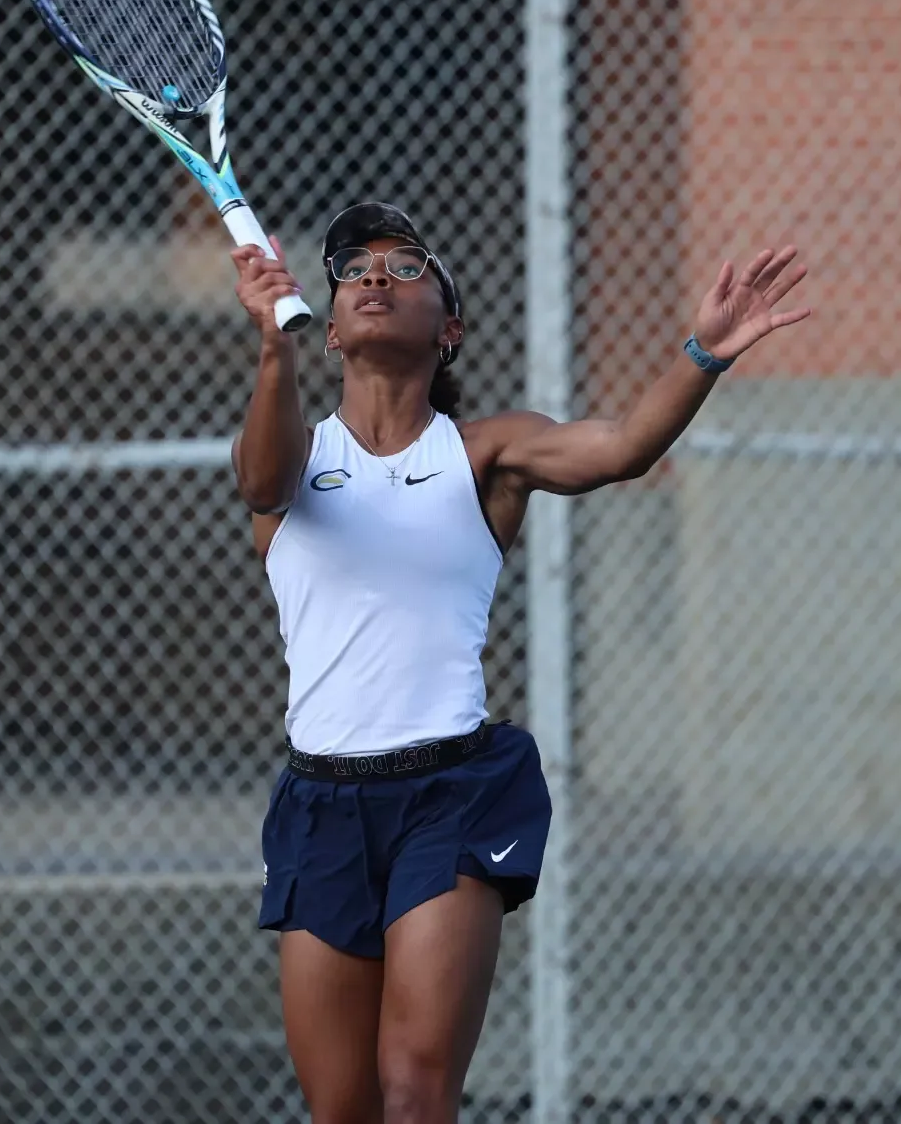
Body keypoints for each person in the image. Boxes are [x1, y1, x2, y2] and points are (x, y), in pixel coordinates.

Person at [230, 202, 810, 1124]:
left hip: (450, 793)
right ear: (330, 326)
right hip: (320, 802)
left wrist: (703, 353)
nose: (378, 275)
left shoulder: (487, 453)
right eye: (356, 270)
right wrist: (273, 348)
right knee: (341, 1109)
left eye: (408, 266)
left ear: (450, 330)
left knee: (416, 1086)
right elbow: (260, 484)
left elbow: (622, 449)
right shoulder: (295, 454)